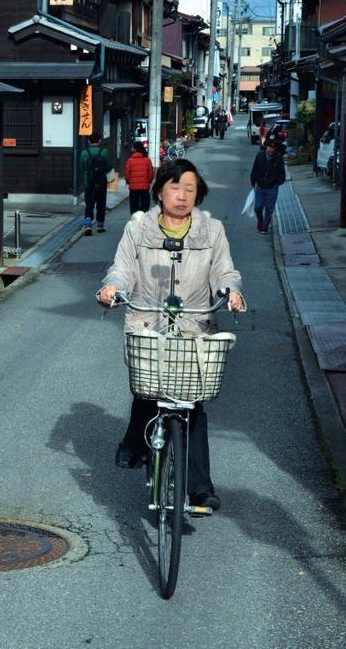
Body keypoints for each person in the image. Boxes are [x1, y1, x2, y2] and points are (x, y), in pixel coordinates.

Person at [97, 159, 246, 511]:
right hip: (147, 322)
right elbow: (122, 267)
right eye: (175, 187)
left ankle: (199, 489)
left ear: (199, 194)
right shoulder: (139, 228)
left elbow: (225, 270)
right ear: (160, 190)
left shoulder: (212, 230)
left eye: (190, 189)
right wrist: (112, 287)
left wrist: (231, 292)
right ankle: (134, 442)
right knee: (149, 386)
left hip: (196, 325)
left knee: (193, 403)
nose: (182, 196)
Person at [249, 138, 287, 234]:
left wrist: (278, 182)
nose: (270, 150)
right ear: (266, 147)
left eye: (273, 148)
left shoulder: (278, 158)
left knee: (269, 209)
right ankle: (260, 220)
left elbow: (282, 173)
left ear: (275, 149)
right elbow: (254, 169)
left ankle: (264, 227)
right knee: (258, 207)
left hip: (272, 187)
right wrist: (253, 182)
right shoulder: (260, 156)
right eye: (269, 147)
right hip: (260, 186)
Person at [79, 133, 113, 235]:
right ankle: (100, 225)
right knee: (101, 203)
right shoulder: (105, 152)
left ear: (89, 142)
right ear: (99, 141)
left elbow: (81, 167)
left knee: (89, 203)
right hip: (101, 182)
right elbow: (108, 167)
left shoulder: (84, 153)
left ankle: (88, 225)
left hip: (88, 182)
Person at [123, 141, 154, 214]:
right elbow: (151, 174)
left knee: (134, 207)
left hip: (133, 188)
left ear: (135, 149)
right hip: (144, 188)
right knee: (145, 207)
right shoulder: (147, 160)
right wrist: (148, 182)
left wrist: (129, 182)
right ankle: (143, 221)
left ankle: (135, 221)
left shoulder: (130, 161)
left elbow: (127, 174)